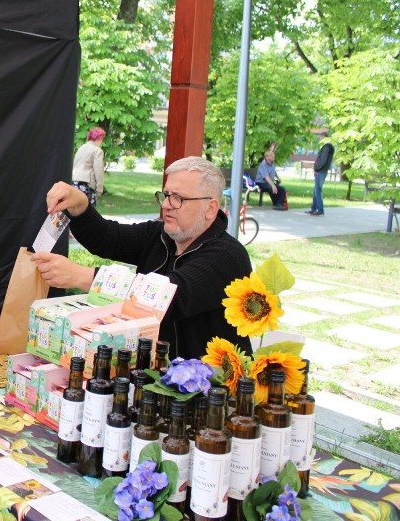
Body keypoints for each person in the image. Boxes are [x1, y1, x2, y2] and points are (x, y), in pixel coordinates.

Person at [30, 156, 253, 360]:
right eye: (166, 195)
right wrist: (79, 205)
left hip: (208, 388)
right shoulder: (160, 236)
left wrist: (84, 277)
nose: (166, 205)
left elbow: (170, 297)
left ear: (210, 208)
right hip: (156, 377)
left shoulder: (227, 256)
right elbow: (109, 238)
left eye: (178, 198)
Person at [71, 126, 106, 207]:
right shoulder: (97, 151)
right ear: (99, 138)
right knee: (88, 214)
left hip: (74, 182)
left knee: (75, 210)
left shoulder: (81, 148)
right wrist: (99, 189)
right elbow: (98, 171)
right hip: (86, 184)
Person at [307, 142, 334, 216]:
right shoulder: (328, 147)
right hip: (321, 171)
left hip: (320, 171)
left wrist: (317, 168)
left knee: (318, 190)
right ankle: (314, 208)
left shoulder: (326, 147)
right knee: (316, 190)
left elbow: (322, 160)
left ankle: (320, 210)